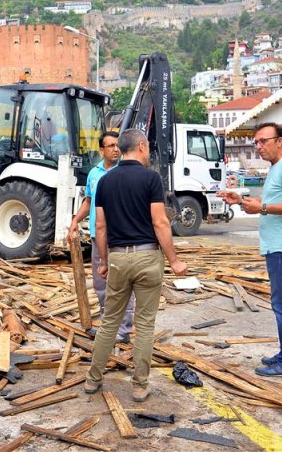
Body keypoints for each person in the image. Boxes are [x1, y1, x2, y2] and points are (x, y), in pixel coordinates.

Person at [84, 129, 188, 402]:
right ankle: (140, 386)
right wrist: (174, 260)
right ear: (142, 146)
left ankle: (93, 379)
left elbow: (100, 226)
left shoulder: (105, 181)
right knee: (143, 324)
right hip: (147, 257)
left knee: (109, 323)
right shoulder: (151, 179)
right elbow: (160, 222)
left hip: (118, 258)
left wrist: (104, 262)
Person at [217, 122, 282, 377]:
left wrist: (263, 208)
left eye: (263, 141)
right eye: (256, 142)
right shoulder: (278, 168)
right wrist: (244, 201)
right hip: (278, 244)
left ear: (279, 140)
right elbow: (272, 203)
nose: (258, 147)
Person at [67, 132, 135, 344]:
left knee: (123, 284)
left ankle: (123, 331)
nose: (115, 149)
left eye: (118, 146)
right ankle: (109, 327)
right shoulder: (94, 174)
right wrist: (75, 220)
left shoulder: (125, 171)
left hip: (120, 235)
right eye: (111, 146)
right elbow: (89, 201)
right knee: (101, 283)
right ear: (102, 150)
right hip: (99, 237)